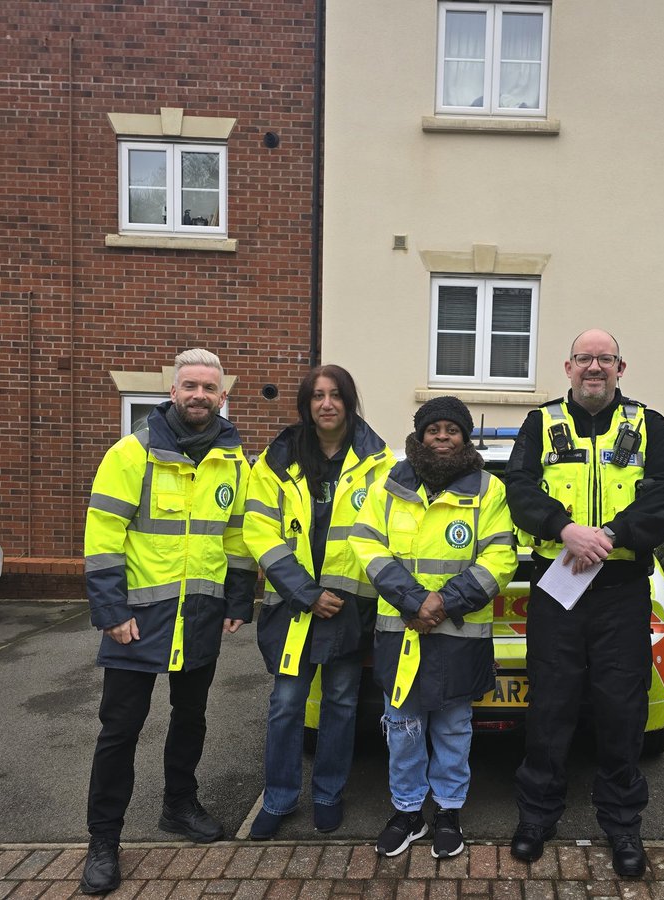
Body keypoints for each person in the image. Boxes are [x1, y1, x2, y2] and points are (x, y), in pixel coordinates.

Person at [505, 329, 664, 878]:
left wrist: (608, 534)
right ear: (568, 367)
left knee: (622, 709)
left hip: (620, 588)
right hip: (556, 585)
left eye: (605, 359)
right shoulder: (540, 423)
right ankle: (536, 816)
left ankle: (622, 823)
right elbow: (519, 489)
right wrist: (564, 529)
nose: (594, 367)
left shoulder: (649, 424)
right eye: (584, 358)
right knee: (550, 705)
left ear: (620, 368)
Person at [80, 349, 255, 895]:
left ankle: (179, 805)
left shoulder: (234, 461)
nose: (199, 395)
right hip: (138, 618)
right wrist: (111, 611)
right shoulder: (131, 453)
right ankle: (103, 840)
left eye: (209, 387)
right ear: (172, 391)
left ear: (223, 396)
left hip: (200, 613)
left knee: (191, 718)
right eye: (190, 386)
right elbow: (103, 536)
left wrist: (237, 600)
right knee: (120, 731)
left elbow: (237, 536)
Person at [349, 396, 517, 859]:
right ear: (420, 436)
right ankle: (407, 812)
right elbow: (366, 545)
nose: (442, 436)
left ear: (465, 437)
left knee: (453, 729)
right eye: (433, 429)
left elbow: (500, 555)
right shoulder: (389, 485)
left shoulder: (488, 489)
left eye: (452, 429)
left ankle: (447, 810)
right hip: (401, 634)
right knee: (402, 728)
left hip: (458, 635)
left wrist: (443, 602)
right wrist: (413, 600)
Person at [243, 364, 394, 839]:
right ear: (306, 405)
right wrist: (306, 593)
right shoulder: (276, 461)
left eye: (335, 395)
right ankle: (280, 798)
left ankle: (328, 795)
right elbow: (258, 530)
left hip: (349, 608)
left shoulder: (379, 462)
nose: (326, 404)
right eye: (317, 396)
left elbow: (386, 533)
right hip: (294, 607)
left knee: (341, 704)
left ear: (349, 401)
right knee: (286, 705)